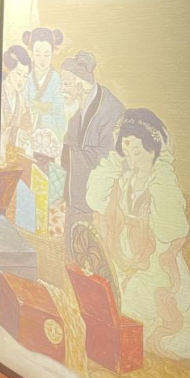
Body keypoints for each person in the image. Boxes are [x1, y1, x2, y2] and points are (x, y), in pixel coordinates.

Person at [86, 109, 190, 367]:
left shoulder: (162, 184)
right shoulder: (125, 181)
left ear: (153, 150)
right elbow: (94, 199)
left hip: (157, 269)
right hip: (125, 261)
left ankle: (188, 345)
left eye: (137, 151)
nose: (132, 159)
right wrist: (115, 159)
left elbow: (170, 230)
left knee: (145, 320)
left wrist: (163, 166)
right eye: (126, 152)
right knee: (103, 301)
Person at [59, 51, 124, 247]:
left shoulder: (111, 110)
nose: (62, 89)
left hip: (98, 199)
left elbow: (107, 157)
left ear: (80, 84)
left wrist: (65, 153)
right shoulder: (79, 104)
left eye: (66, 84)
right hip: (76, 193)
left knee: (89, 250)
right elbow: (70, 142)